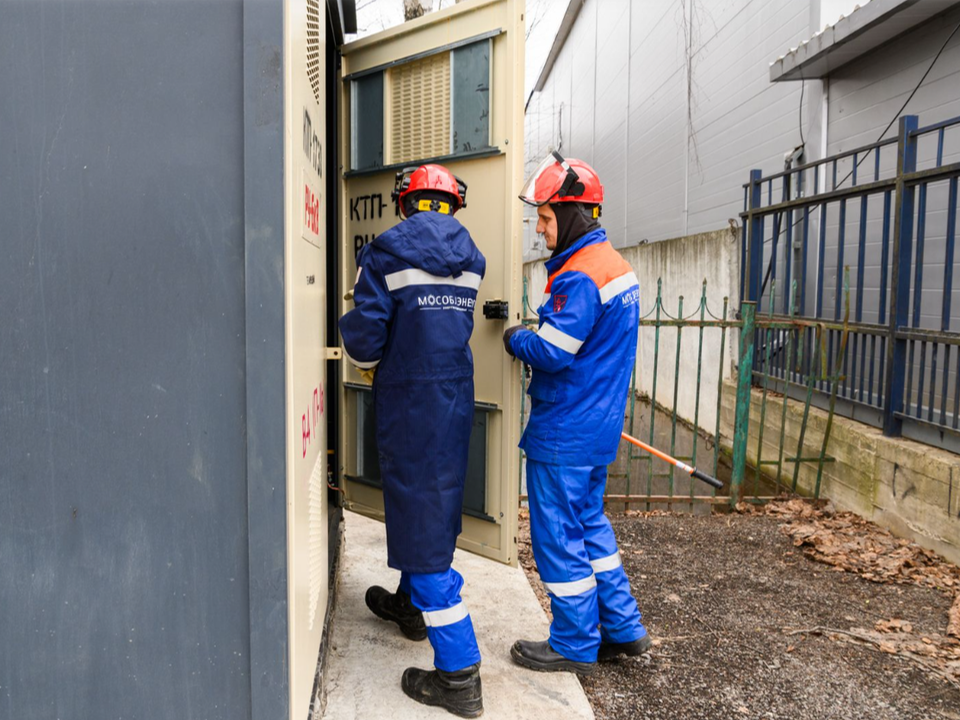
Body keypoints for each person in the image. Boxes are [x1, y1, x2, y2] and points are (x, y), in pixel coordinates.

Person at [339, 164, 486, 718]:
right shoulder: (471, 255)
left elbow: (367, 340)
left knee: (419, 515)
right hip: (453, 396)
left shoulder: (386, 250)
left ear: (406, 202)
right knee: (435, 501)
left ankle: (459, 674)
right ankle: (409, 604)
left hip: (409, 397)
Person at [502, 152, 650, 674]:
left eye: (545, 218)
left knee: (558, 536)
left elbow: (553, 351)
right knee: (590, 527)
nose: (541, 231)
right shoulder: (617, 267)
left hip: (564, 428)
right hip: (599, 424)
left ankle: (573, 642)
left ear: (572, 215)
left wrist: (517, 336)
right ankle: (622, 628)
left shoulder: (579, 276)